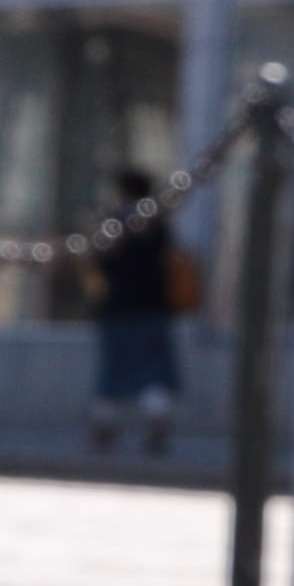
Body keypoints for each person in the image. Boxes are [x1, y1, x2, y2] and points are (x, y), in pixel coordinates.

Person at [86, 170, 188, 458]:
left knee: (114, 371)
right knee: (153, 370)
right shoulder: (158, 223)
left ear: (123, 190)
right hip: (154, 306)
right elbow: (168, 259)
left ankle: (105, 424)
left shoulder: (114, 222)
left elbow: (102, 262)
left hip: (118, 306)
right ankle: (156, 415)